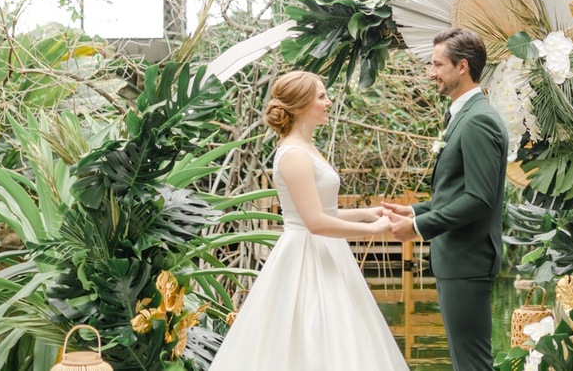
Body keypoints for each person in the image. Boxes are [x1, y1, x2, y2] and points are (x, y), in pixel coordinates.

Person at [208, 71, 408, 371]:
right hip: (305, 256)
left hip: (326, 252)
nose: (328, 102)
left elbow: (321, 212)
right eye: (321, 97)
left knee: (342, 337)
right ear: (301, 106)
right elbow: (314, 223)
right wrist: (370, 230)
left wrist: (367, 213)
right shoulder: (293, 155)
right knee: (308, 334)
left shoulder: (308, 148)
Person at [383, 27, 509, 371]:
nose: (431, 73)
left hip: (468, 259)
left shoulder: (478, 120)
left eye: (438, 65)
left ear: (463, 67)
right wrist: (412, 210)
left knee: (472, 364)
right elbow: (457, 193)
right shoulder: (463, 115)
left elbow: (480, 199)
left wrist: (419, 226)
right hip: (458, 259)